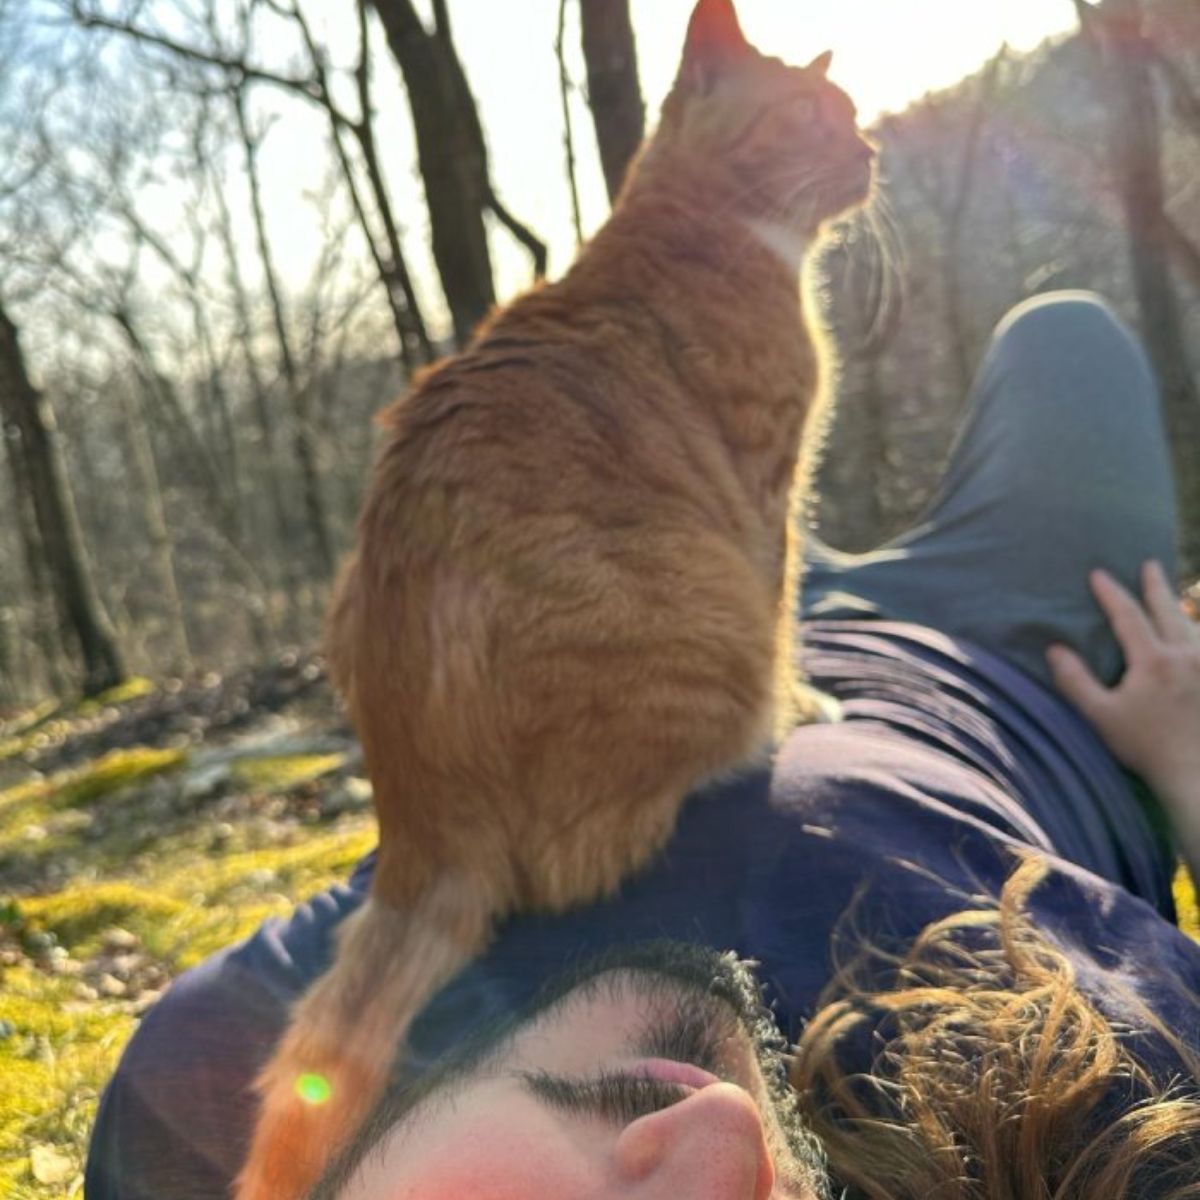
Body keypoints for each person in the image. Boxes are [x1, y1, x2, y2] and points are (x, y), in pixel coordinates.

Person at [84, 292, 1200, 1199]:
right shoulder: (1114, 1120)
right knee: (1068, 338)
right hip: (1015, 659)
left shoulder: (198, 1112)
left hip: (697, 621)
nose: (725, 1138)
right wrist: (1184, 758)